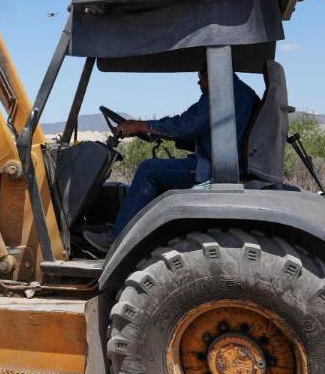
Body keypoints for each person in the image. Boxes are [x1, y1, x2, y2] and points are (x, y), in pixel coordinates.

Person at [84, 67, 259, 252]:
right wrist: (150, 130)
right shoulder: (239, 92)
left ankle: (116, 238)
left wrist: (142, 125)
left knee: (148, 169)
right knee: (157, 170)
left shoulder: (223, 93)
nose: (199, 82)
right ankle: (132, 229)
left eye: (201, 76)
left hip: (217, 169)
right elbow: (191, 130)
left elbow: (186, 126)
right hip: (226, 164)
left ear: (214, 70)